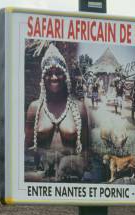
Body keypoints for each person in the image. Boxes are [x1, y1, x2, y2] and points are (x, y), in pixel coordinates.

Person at [25, 43, 89, 171]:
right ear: (43, 77)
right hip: (42, 175)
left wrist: (74, 163)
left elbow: (86, 149)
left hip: (69, 175)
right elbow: (27, 147)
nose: (54, 77)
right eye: (49, 73)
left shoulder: (78, 108)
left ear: (65, 76)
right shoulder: (35, 108)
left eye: (58, 73)